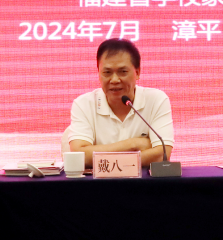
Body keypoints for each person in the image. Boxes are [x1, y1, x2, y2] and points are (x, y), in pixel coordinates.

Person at [67, 39, 174, 167]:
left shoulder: (156, 100)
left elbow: (161, 154)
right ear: (99, 74)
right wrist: (133, 144)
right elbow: (79, 155)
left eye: (123, 72)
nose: (114, 80)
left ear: (137, 72)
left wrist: (102, 158)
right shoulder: (83, 104)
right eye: (107, 72)